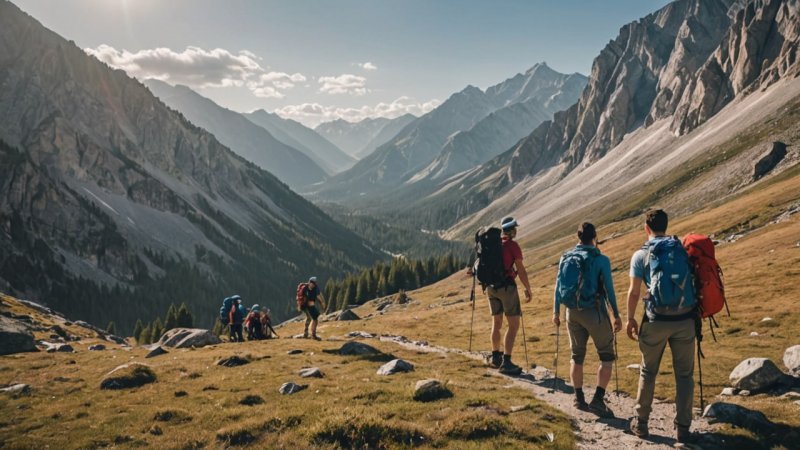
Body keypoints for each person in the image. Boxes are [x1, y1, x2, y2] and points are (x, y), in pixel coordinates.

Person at [626, 209, 696, 444]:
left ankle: (641, 423)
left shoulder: (641, 255)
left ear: (646, 228)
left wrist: (630, 318)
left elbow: (634, 292)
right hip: (685, 319)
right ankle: (683, 428)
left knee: (648, 370)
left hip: (656, 320)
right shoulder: (681, 249)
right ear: (666, 226)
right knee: (684, 375)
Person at [553, 222, 621, 417]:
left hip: (571, 312)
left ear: (578, 237)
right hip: (594, 312)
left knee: (577, 355)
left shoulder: (565, 257)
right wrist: (616, 315)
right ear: (595, 237)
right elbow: (609, 290)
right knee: (606, 355)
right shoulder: (601, 260)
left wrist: (556, 313)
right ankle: (598, 400)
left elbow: (558, 287)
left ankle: (578, 398)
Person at [487, 217, 533, 375]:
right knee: (513, 324)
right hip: (507, 287)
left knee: (496, 322)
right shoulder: (513, 246)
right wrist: (527, 288)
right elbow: (521, 270)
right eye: (515, 228)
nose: (516, 230)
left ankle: (495, 357)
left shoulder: (493, 244)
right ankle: (506, 362)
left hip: (491, 287)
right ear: (511, 230)